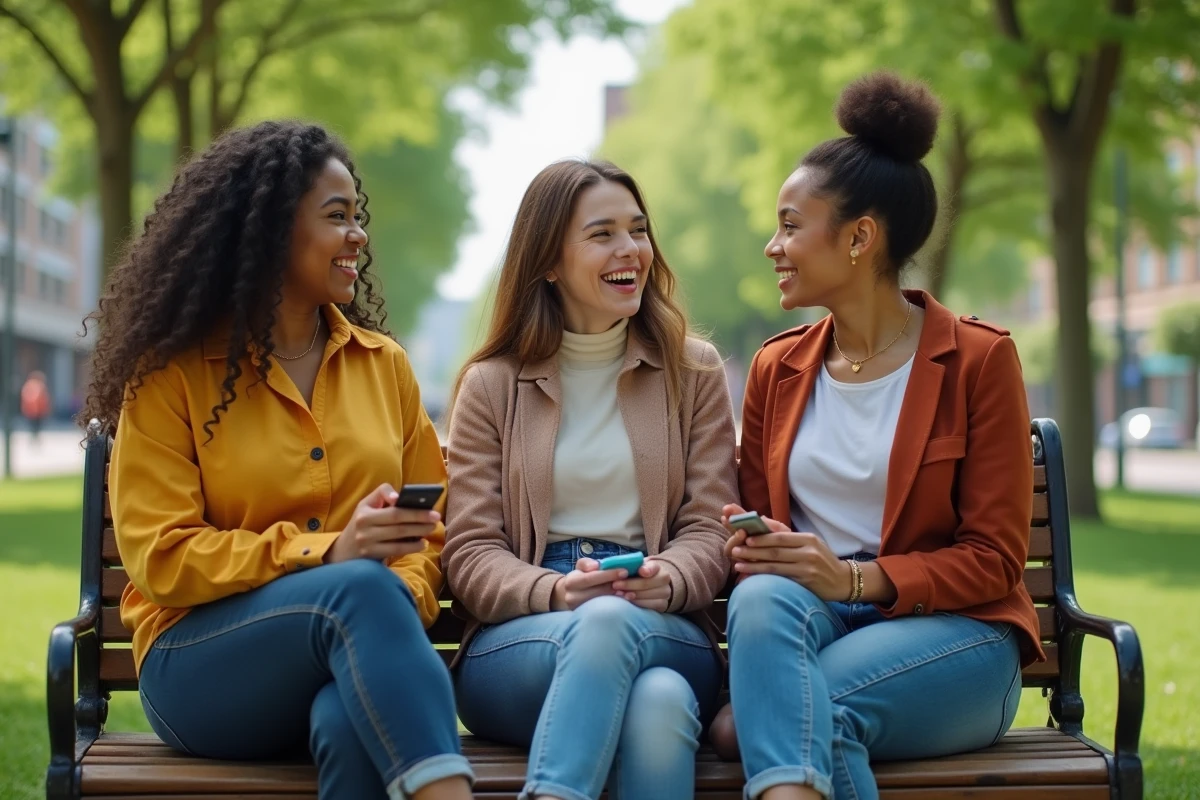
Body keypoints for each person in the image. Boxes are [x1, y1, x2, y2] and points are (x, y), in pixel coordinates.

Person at [77, 121, 473, 800]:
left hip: (353, 651)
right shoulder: (170, 375)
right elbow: (163, 556)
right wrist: (326, 555)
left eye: (359, 217)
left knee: (352, 721)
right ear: (266, 233)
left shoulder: (387, 369)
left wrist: (396, 594)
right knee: (358, 590)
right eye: (337, 217)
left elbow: (427, 531)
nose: (359, 236)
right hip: (198, 667)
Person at [708, 72, 1045, 800]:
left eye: (792, 225)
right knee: (764, 603)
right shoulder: (776, 367)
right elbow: (764, 544)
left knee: (788, 716)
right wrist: (756, 543)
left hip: (959, 637)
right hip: (814, 623)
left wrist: (855, 578)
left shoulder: (980, 360)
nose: (773, 245)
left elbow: (993, 559)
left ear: (860, 237)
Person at [442, 159, 737, 800]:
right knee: (654, 701)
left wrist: (672, 579)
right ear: (548, 260)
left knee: (644, 667)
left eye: (638, 229)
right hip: (526, 633)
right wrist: (554, 591)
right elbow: (469, 552)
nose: (629, 248)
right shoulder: (491, 385)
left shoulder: (695, 371)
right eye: (602, 233)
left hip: (661, 619)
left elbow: (710, 524)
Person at [21, 370, 51, 442]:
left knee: (34, 426)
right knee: (35, 426)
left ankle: (34, 437)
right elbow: (39, 398)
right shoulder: (37, 385)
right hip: (35, 411)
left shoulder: (30, 384)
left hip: (33, 410)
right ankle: (34, 438)